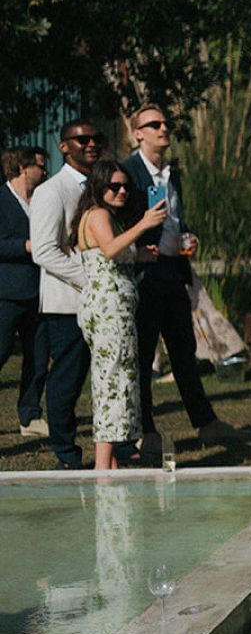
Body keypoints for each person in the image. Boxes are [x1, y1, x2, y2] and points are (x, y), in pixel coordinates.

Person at [121, 105, 236, 446]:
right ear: (137, 132)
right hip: (145, 272)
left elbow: (174, 220)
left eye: (166, 123)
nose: (163, 128)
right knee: (143, 355)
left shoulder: (172, 173)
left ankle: (205, 422)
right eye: (154, 124)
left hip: (174, 270)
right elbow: (124, 224)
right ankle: (145, 429)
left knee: (183, 350)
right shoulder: (128, 172)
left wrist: (188, 237)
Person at [73, 160, 166, 470]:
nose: (123, 191)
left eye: (126, 185)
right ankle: (102, 466)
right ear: (99, 187)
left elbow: (110, 255)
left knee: (116, 379)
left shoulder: (106, 216)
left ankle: (110, 462)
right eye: (115, 186)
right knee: (113, 381)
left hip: (113, 308)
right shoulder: (98, 214)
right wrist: (144, 223)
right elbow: (111, 249)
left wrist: (141, 255)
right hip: (109, 311)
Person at [32, 120, 108, 469]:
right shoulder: (52, 191)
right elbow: (45, 251)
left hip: (105, 301)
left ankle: (117, 448)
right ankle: (66, 452)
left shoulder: (104, 186)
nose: (91, 144)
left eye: (96, 139)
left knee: (111, 374)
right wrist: (90, 279)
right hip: (68, 302)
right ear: (64, 146)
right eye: (82, 139)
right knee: (68, 378)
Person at [1, 145, 49, 438]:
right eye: (40, 166)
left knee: (39, 357)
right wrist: (25, 246)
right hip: (7, 293)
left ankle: (30, 416)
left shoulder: (44, 199)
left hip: (42, 293)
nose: (45, 171)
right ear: (21, 167)